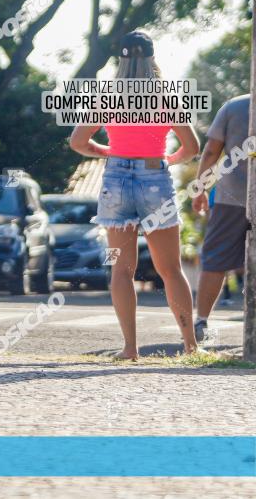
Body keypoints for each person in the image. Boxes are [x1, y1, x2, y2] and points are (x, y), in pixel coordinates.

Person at [70, 31, 200, 360]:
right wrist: (166, 160)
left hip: (115, 179)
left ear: (122, 59)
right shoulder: (166, 96)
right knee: (170, 270)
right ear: (151, 58)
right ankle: (190, 345)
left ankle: (130, 347)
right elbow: (192, 147)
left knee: (121, 270)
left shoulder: (108, 96)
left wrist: (108, 151)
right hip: (155, 178)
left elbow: (78, 142)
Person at [191, 94, 250, 341]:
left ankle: (202, 324)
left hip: (232, 196)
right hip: (232, 196)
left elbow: (211, 151)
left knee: (216, 257)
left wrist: (200, 188)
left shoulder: (235, 106)